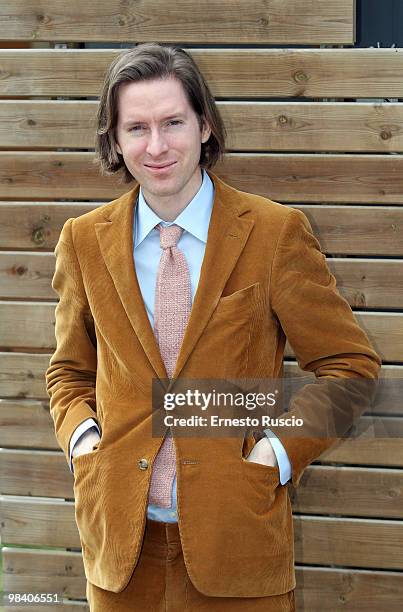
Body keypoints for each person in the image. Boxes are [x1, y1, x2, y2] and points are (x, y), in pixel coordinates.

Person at [45, 42, 381, 611]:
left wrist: (275, 452)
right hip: (121, 553)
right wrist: (85, 443)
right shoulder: (82, 241)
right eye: (136, 128)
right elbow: (68, 374)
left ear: (204, 125)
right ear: (115, 139)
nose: (156, 146)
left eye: (172, 122)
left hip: (238, 543)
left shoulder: (274, 234)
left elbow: (350, 370)